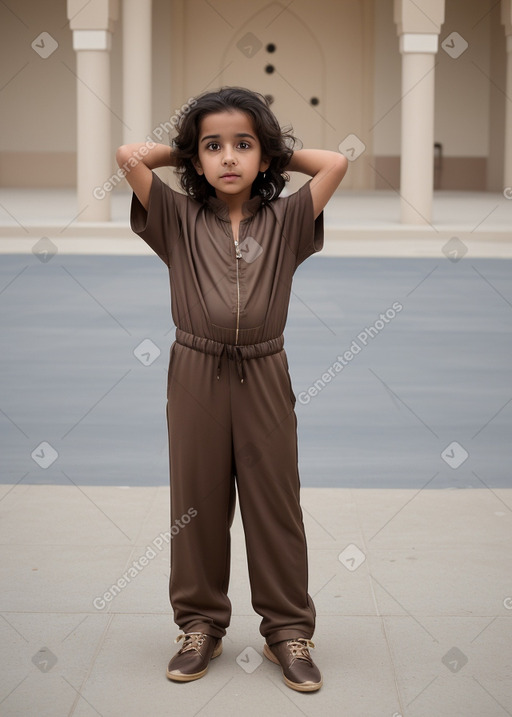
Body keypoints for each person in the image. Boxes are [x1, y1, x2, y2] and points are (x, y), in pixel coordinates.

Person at [116, 87, 348, 693]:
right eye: (212, 148)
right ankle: (200, 626)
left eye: (243, 146)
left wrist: (272, 148)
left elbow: (335, 163)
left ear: (264, 157)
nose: (228, 158)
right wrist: (188, 147)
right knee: (195, 503)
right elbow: (128, 155)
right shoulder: (176, 217)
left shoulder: (289, 218)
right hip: (194, 372)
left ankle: (288, 631)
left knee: (276, 502)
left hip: (265, 372)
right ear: (194, 159)